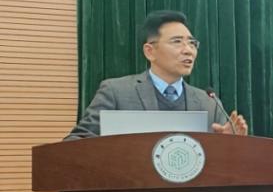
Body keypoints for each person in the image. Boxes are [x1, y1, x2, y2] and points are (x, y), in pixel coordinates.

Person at [65, 10, 249, 139]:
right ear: (150, 51)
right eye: (177, 42)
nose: (188, 50)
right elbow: (77, 141)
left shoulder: (209, 102)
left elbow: (225, 162)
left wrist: (230, 142)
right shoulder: (116, 92)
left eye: (192, 43)